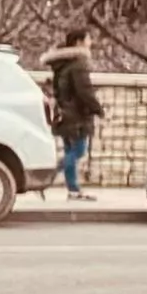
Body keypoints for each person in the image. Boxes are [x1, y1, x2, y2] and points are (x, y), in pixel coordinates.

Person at [43, 32, 102, 200]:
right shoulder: (78, 64)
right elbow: (84, 90)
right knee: (78, 151)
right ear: (79, 42)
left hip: (64, 112)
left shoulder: (61, 63)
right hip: (77, 115)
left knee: (71, 150)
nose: (91, 42)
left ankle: (73, 189)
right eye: (88, 38)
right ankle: (47, 173)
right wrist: (97, 109)